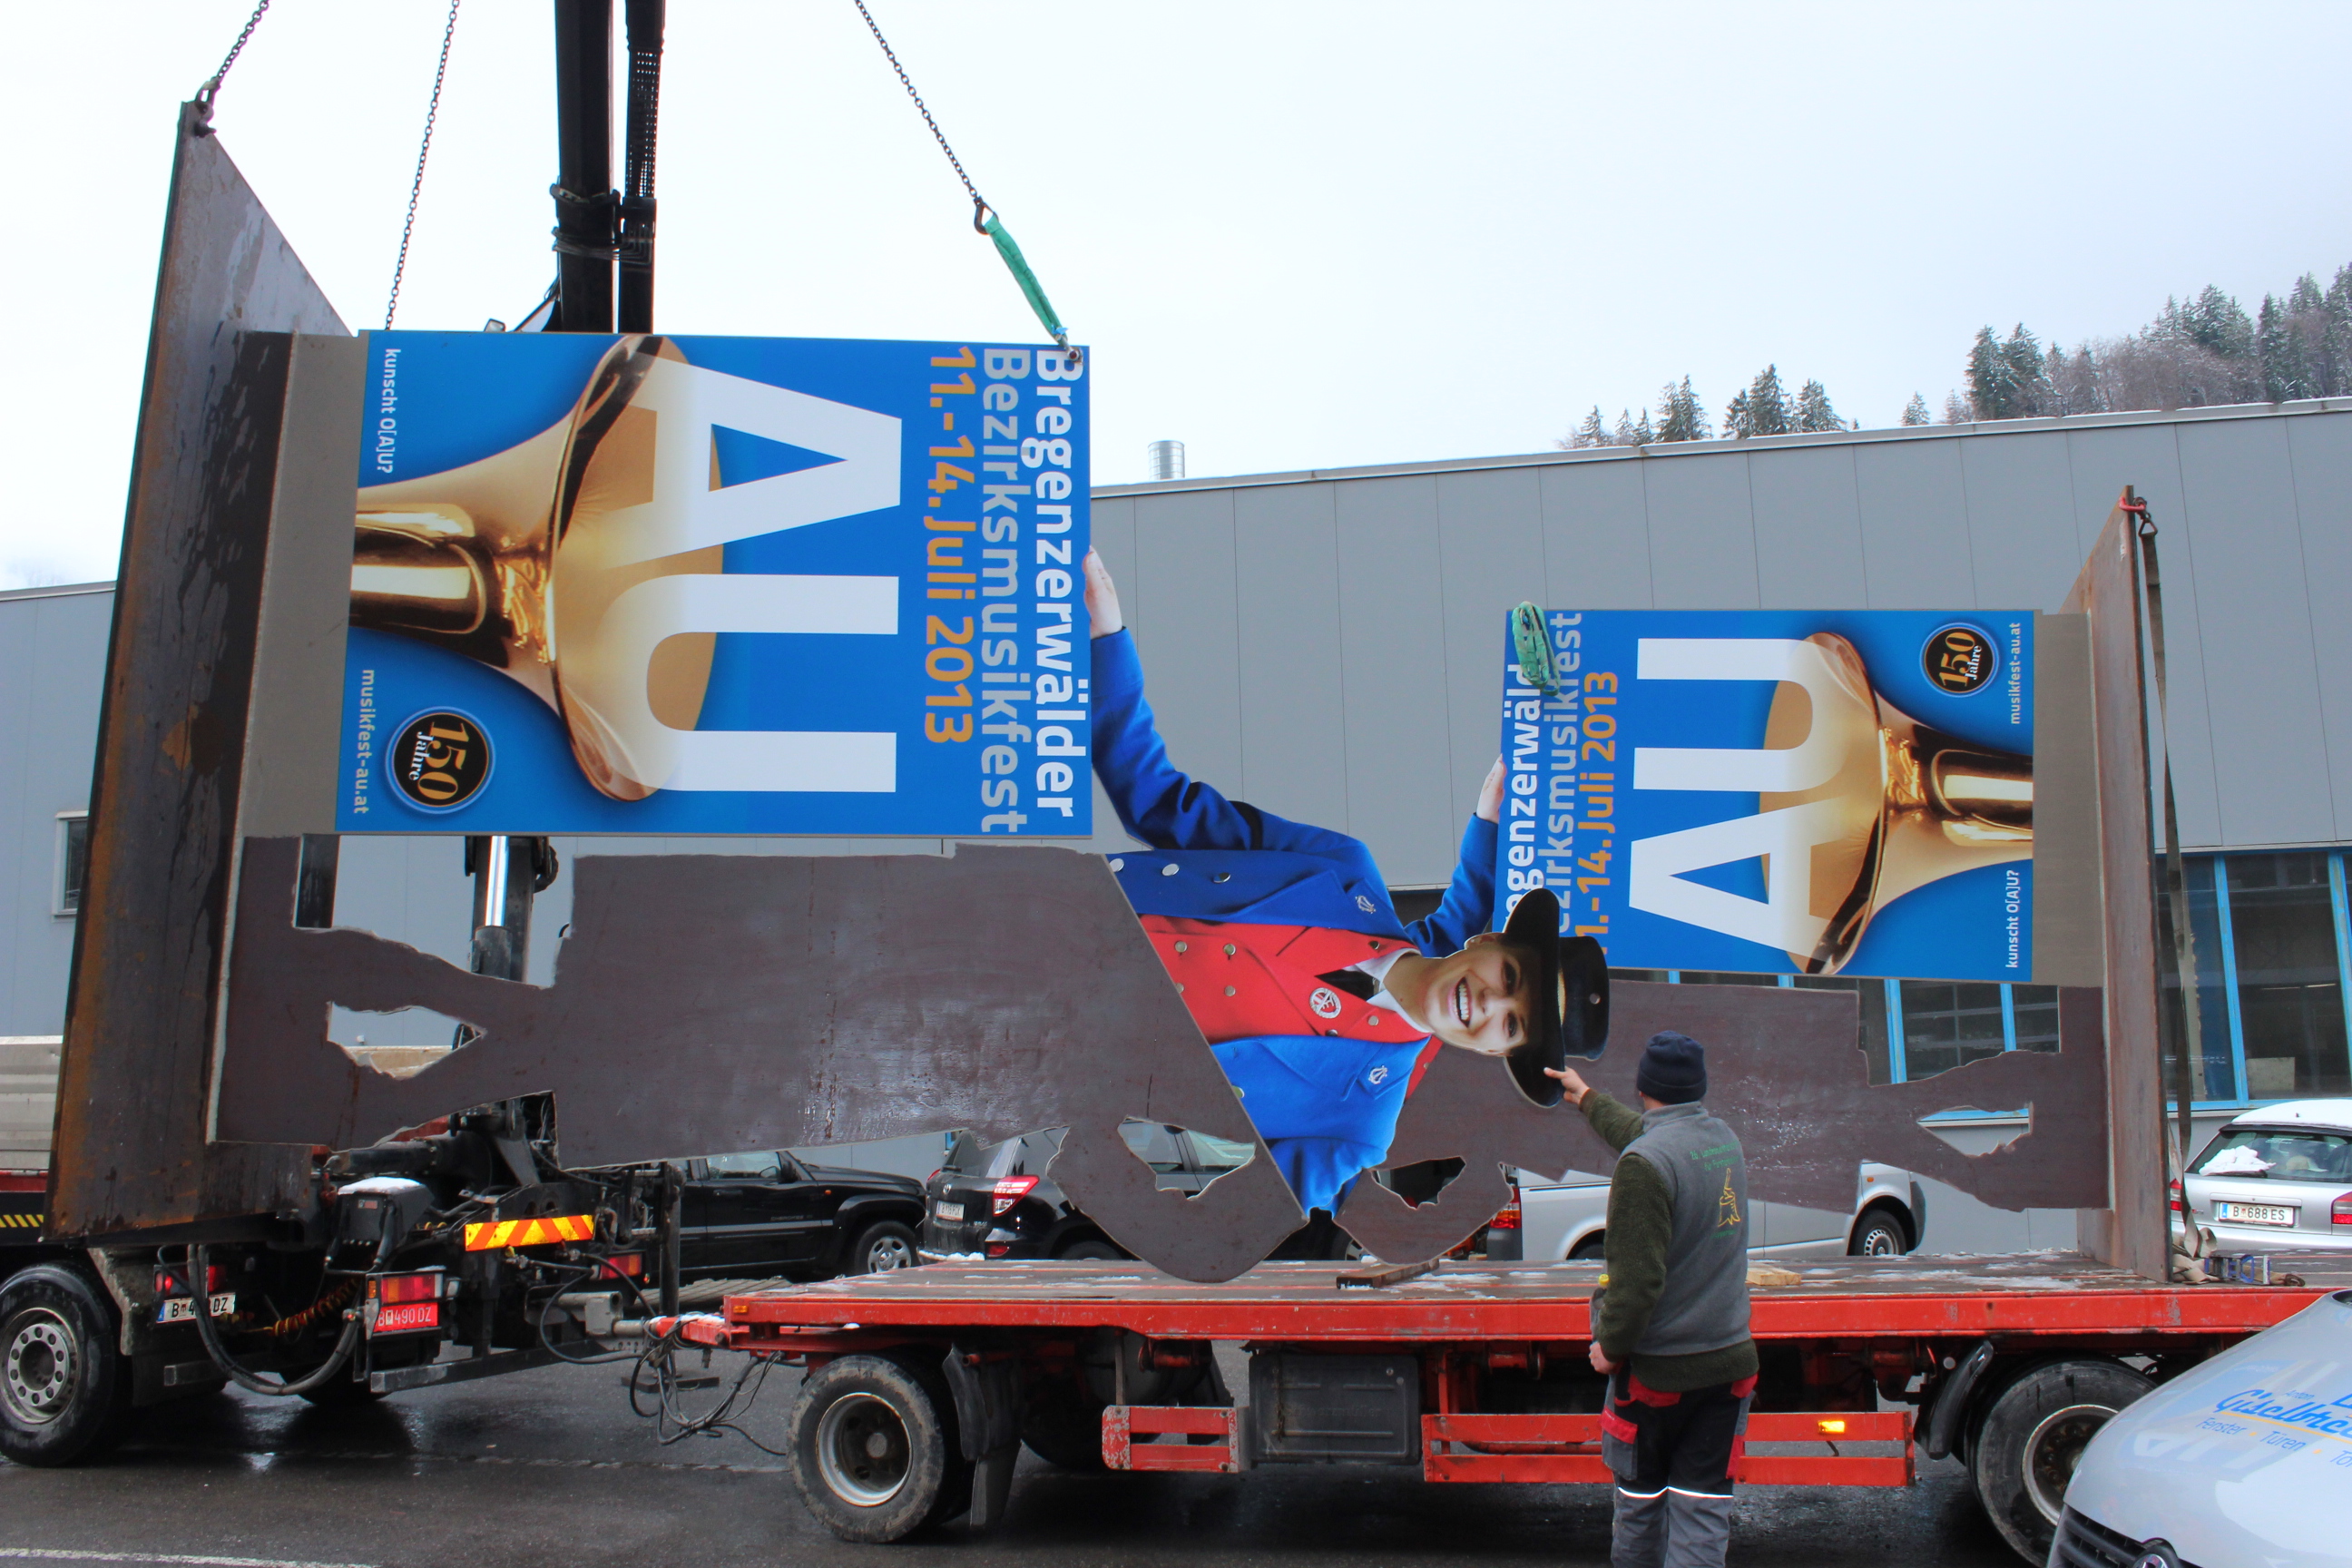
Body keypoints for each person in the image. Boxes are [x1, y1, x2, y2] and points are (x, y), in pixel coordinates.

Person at [1083, 549, 1603, 1219]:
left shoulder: (1359, 1126)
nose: (1490, 1002)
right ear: (1484, 944)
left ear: (1498, 1052)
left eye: (1513, 1023)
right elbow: (1158, 801)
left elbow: (1235, 1228)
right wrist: (1106, 639)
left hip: (1015, 1053)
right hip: (1029, 910)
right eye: (1508, 977)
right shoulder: (1341, 869)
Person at [1550, 1035, 1755, 1568]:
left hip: (1659, 1378)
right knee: (1702, 1515)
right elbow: (1645, 1135)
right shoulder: (1722, 1141)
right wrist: (1584, 1097)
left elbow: (1636, 1285)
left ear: (1642, 1087)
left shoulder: (1644, 1165)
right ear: (1698, 1087)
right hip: (1728, 1367)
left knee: (1641, 1512)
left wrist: (1610, 1348)